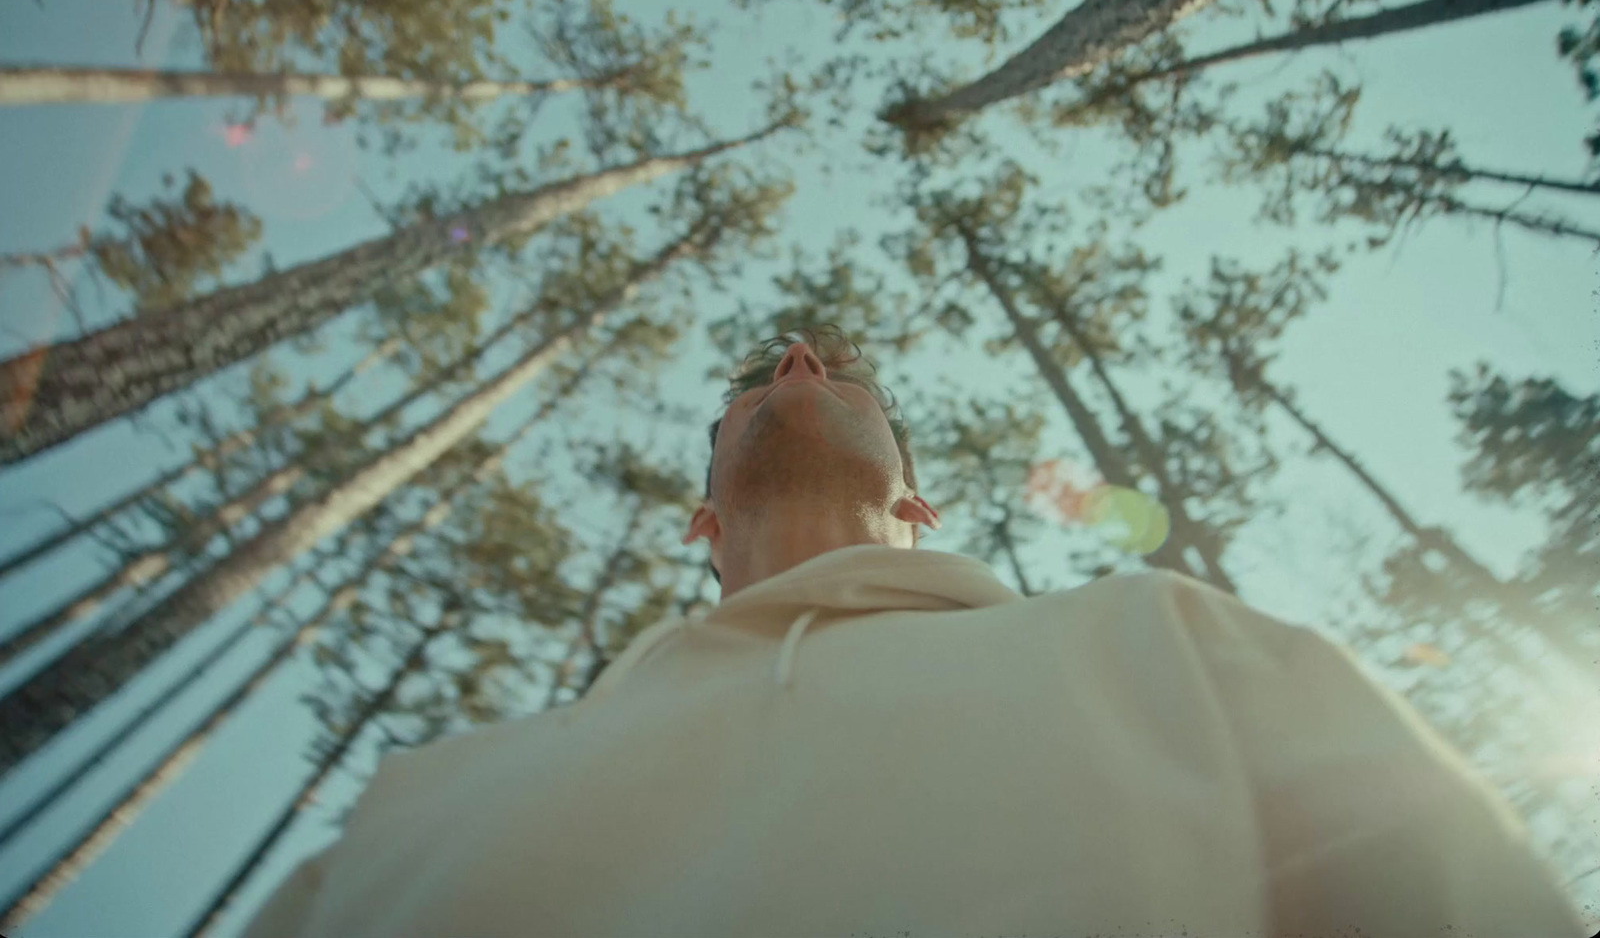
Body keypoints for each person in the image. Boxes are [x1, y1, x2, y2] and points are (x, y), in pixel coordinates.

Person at [241, 326, 1586, 938]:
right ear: (701, 524)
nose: (797, 364)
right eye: (758, 380)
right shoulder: (419, 812)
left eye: (837, 371)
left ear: (919, 499)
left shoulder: (1172, 641)